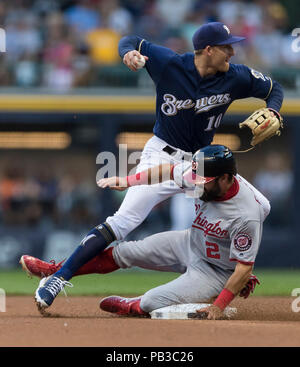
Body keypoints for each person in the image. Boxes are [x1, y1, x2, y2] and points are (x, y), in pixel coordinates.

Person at [28, 21, 283, 312]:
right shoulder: (170, 64)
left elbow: (273, 88)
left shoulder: (234, 76)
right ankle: (58, 276)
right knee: (122, 222)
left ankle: (232, 271)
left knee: (260, 206)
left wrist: (273, 108)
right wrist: (127, 53)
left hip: (203, 166)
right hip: (163, 157)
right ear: (208, 50)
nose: (232, 53)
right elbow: (131, 39)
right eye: (226, 47)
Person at [22, 145, 267, 320]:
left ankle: (133, 305)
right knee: (124, 252)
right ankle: (57, 274)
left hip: (216, 271)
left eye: (205, 180)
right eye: (197, 178)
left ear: (225, 178)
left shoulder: (246, 214)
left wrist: (219, 307)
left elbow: (244, 268)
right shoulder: (201, 177)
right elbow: (166, 170)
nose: (198, 183)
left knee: (152, 302)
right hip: (191, 242)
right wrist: (129, 181)